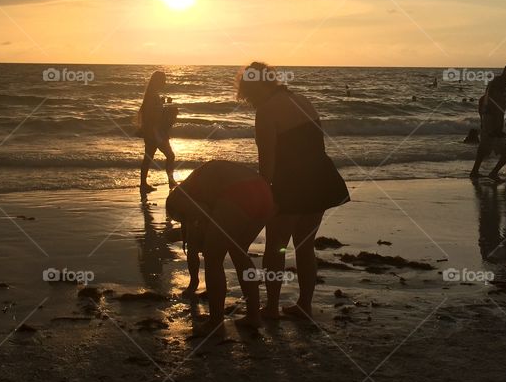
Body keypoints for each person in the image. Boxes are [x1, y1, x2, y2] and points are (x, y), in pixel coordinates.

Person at [237, 62, 349, 319]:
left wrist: (264, 196)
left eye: (248, 93)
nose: (248, 100)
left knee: (276, 247)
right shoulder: (302, 100)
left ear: (254, 87)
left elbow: (267, 162)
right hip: (320, 180)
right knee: (305, 246)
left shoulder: (266, 111)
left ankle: (272, 307)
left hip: (291, 185)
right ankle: (304, 305)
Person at [166, 160, 274, 335]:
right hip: (263, 191)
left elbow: (198, 220)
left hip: (238, 193)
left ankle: (215, 322)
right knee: (239, 253)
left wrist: (198, 236)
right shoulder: (198, 182)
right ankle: (254, 315)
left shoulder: (176, 198)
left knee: (213, 257)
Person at [470, 63, 506, 180]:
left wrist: (482, 117)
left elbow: (483, 99)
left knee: (501, 144)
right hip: (493, 118)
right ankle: (474, 171)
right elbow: (496, 104)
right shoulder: (500, 83)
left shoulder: (495, 81)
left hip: (490, 116)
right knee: (485, 145)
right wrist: (497, 124)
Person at [138, 71, 177, 194]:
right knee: (170, 156)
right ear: (158, 81)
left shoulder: (151, 94)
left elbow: (153, 111)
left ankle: (143, 184)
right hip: (155, 132)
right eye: (163, 80)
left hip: (151, 131)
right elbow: (153, 114)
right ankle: (170, 181)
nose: (164, 82)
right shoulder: (152, 95)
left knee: (148, 158)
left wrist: (163, 105)